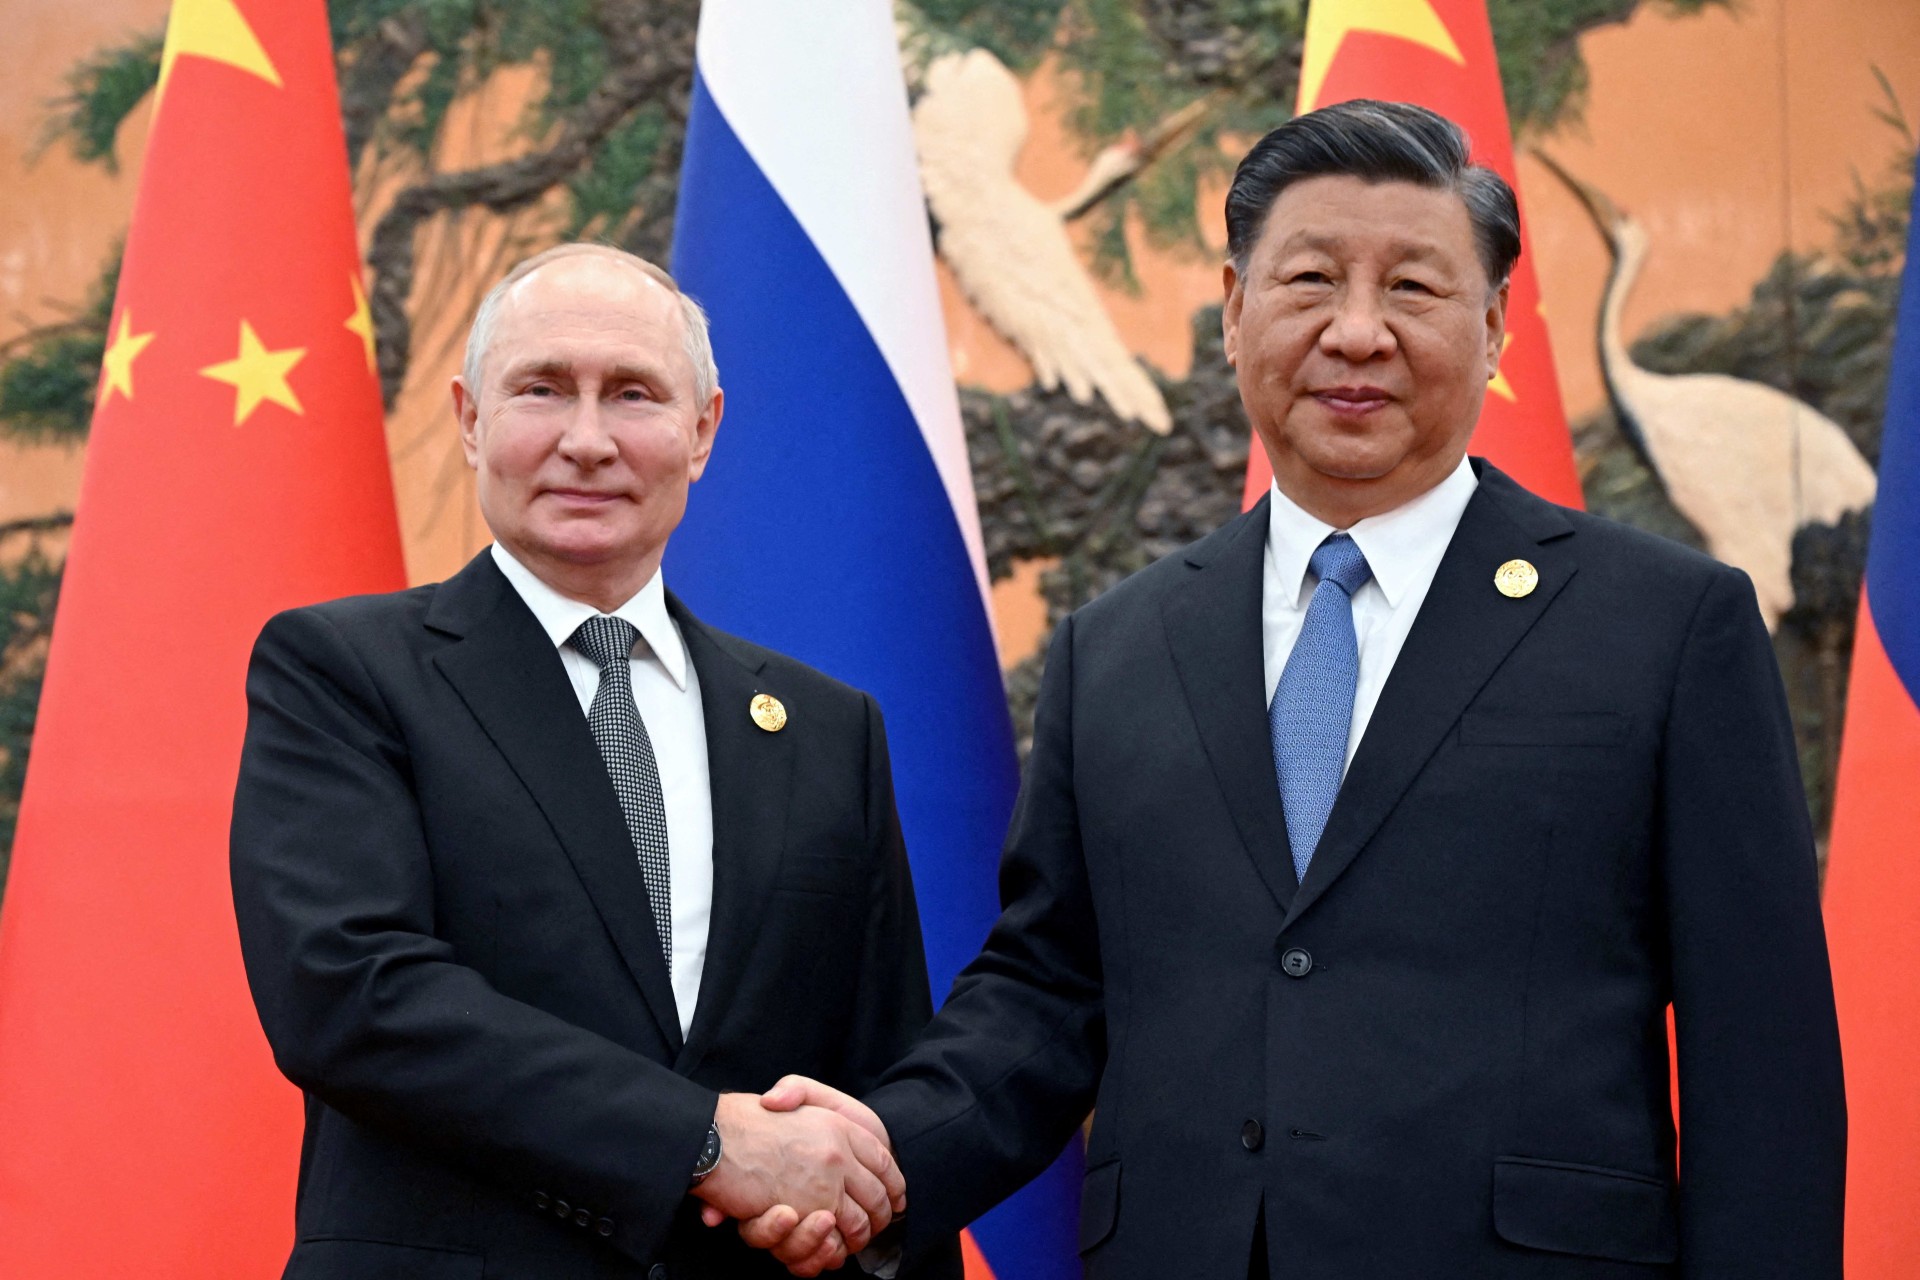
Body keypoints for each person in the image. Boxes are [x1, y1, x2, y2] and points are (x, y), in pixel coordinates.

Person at [740, 100, 1846, 1278]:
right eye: (1310, 280)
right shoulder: (1118, 646)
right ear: (1234, 311)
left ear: (1493, 327)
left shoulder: (1665, 624)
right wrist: (878, 1158)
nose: (1357, 332)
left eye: (1412, 287)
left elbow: (1760, 1052)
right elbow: (1046, 995)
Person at [230, 243, 959, 1280]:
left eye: (632, 393)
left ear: (702, 430)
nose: (586, 440)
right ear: (470, 419)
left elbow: (878, 1077)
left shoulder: (826, 729)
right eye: (540, 389)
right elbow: (349, 995)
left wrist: (861, 1213)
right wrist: (701, 1142)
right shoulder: (344, 671)